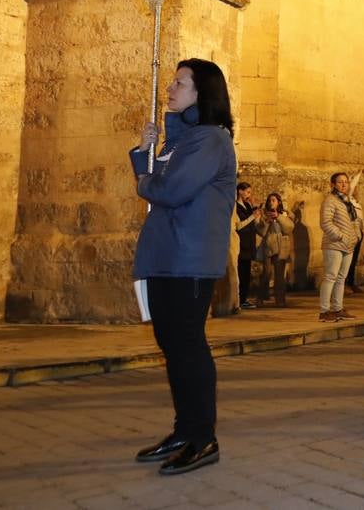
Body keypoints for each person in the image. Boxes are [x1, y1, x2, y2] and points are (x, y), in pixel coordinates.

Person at [130, 59, 237, 475]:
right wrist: (146, 151)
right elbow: (161, 178)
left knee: (188, 345)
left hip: (190, 257)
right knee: (172, 345)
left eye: (180, 83)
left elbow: (169, 189)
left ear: (202, 93)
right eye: (172, 82)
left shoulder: (210, 139)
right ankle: (183, 430)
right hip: (167, 255)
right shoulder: (185, 140)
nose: (170, 89)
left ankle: (202, 436)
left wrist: (144, 174)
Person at [320, 171, 362, 321]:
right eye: (340, 182)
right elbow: (325, 222)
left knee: (341, 278)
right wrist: (340, 236)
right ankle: (324, 311)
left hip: (348, 245)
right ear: (333, 184)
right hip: (334, 244)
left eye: (345, 181)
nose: (344, 184)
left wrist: (356, 235)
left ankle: (338, 308)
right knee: (330, 277)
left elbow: (355, 220)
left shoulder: (347, 201)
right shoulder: (330, 200)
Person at [256, 192, 294, 307]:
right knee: (266, 273)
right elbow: (261, 232)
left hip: (281, 247)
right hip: (268, 246)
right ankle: (260, 298)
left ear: (278, 202)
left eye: (273, 200)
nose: (271, 202)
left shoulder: (284, 214)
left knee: (279, 276)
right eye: (269, 200)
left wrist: (279, 217)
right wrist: (266, 221)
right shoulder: (264, 215)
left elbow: (289, 228)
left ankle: (280, 300)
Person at [233, 183, 259, 309]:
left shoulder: (247, 205)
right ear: (240, 191)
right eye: (247, 192)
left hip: (249, 243)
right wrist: (252, 217)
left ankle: (244, 298)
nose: (249, 195)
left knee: (246, 274)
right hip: (241, 243)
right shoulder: (235, 206)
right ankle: (239, 299)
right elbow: (238, 226)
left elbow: (254, 222)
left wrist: (255, 210)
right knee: (241, 272)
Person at [344, 170, 364, 294]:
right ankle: (346, 284)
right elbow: (351, 187)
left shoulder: (355, 201)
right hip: (351, 233)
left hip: (359, 232)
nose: (355, 189)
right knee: (348, 259)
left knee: (354, 259)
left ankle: (351, 282)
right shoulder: (347, 199)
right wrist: (358, 174)